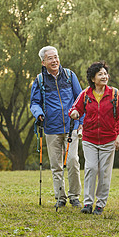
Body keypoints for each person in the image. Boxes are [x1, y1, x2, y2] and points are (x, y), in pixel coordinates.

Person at [69, 61, 119, 215]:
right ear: (93, 78)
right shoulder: (85, 94)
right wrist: (74, 114)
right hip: (89, 139)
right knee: (91, 168)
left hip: (108, 139)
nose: (104, 76)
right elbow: (75, 108)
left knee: (104, 172)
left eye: (105, 74)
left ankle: (100, 204)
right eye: (100, 74)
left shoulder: (114, 93)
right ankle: (88, 203)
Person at [30, 46, 83, 208]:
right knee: (56, 165)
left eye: (56, 57)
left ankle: (74, 196)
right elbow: (34, 103)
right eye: (50, 58)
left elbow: (80, 99)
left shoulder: (69, 75)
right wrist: (38, 113)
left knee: (73, 161)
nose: (54, 60)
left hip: (71, 126)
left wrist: (81, 123)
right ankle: (60, 197)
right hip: (51, 128)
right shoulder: (39, 80)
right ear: (43, 62)